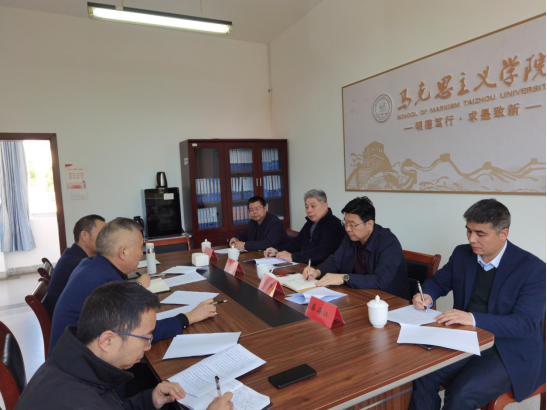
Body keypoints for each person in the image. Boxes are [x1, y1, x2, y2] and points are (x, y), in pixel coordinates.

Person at [409, 199, 546, 410]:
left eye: (480, 233)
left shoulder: (533, 269)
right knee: (422, 374)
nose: (471, 239)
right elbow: (439, 282)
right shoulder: (462, 254)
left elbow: (525, 324)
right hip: (466, 339)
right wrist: (427, 295)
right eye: (468, 230)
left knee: (461, 393)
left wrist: (472, 318)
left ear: (503, 234)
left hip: (508, 350)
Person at [16, 282, 234, 410]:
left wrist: (150, 399)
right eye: (145, 337)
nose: (148, 347)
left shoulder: (74, 364)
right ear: (107, 340)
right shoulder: (77, 402)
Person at [50, 218, 216, 353]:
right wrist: (190, 317)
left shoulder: (90, 264)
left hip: (72, 357)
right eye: (140, 247)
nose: (142, 253)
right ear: (123, 252)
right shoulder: (105, 283)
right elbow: (140, 333)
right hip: (82, 371)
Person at [303, 197, 409, 300]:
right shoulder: (351, 237)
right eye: (346, 223)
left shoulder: (388, 242)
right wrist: (317, 271)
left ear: (369, 224)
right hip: (358, 294)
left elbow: (380, 280)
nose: (347, 229)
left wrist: (344, 278)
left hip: (389, 301)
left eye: (352, 225)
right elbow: (335, 261)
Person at [43, 215, 106, 316]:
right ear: (84, 236)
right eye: (102, 233)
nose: (107, 238)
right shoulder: (77, 264)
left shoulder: (71, 254)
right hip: (70, 322)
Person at [264, 189, 345, 266]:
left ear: (325, 206)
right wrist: (277, 250)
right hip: (304, 265)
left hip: (321, 270)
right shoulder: (309, 224)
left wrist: (292, 257)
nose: (309, 210)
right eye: (306, 207)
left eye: (313, 206)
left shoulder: (334, 225)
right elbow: (296, 243)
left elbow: (321, 253)